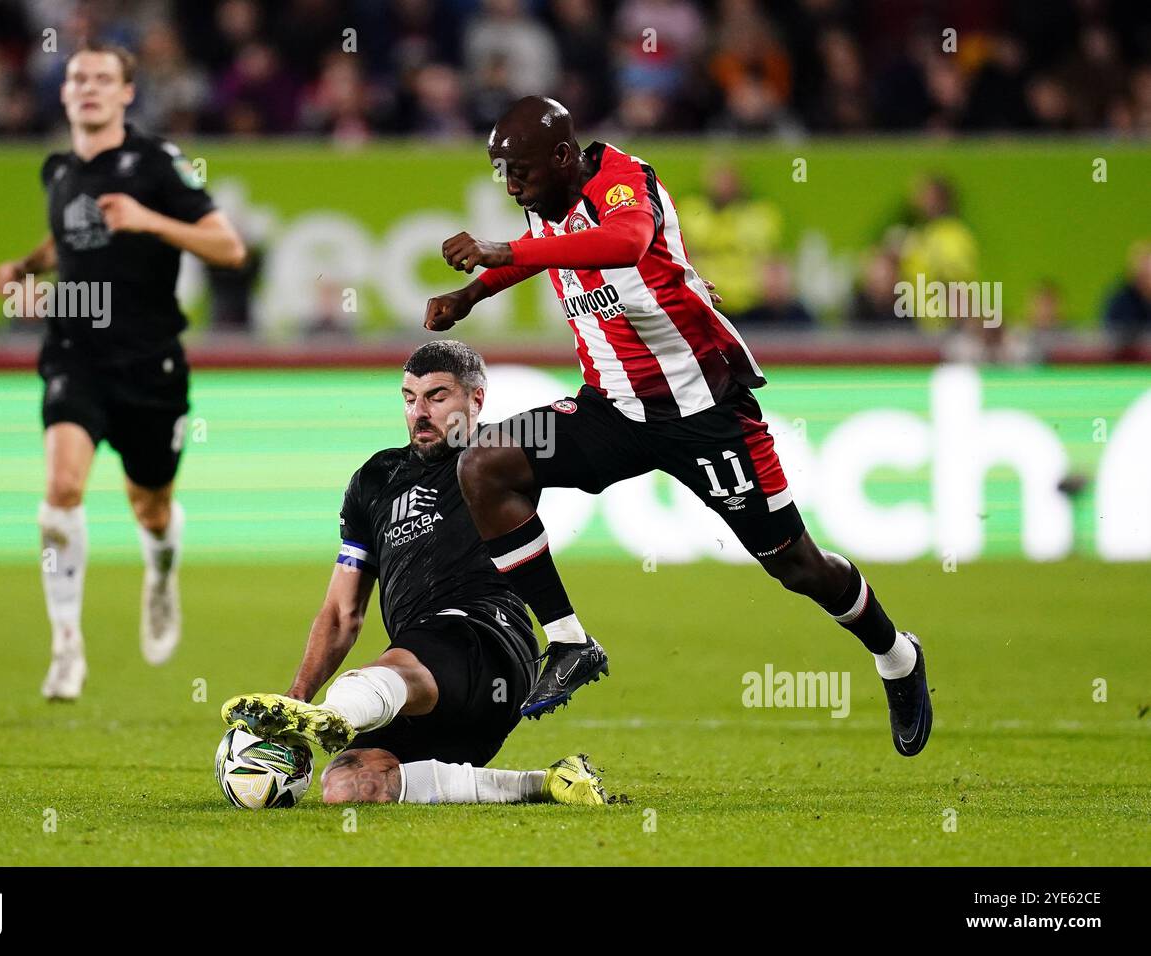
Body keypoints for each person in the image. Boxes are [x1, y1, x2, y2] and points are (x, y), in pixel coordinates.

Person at [422, 96, 933, 757]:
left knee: (796, 565)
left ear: (560, 156)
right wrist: (473, 294)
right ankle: (571, 641)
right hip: (611, 413)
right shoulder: (544, 203)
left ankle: (896, 654)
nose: (511, 185)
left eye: (518, 171)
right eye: (501, 173)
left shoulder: (622, 180)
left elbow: (629, 241)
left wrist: (497, 248)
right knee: (484, 464)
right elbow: (547, 250)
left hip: (705, 414)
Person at [222, 341, 609, 805]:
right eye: (410, 398)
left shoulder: (501, 458)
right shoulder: (375, 480)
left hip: (486, 642)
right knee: (350, 784)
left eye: (437, 397)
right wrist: (296, 699)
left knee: (389, 670)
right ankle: (543, 783)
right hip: (431, 686)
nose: (420, 412)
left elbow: (594, 439)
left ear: (476, 399)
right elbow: (343, 613)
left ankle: (339, 710)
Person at [0, 42, 246, 700]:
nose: (89, 88)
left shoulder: (157, 164)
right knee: (61, 494)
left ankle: (160, 571)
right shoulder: (57, 170)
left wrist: (150, 220)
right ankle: (66, 646)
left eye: (104, 78)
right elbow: (70, 238)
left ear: (127, 93)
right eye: (78, 77)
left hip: (150, 361)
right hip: (75, 351)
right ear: (65, 91)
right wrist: (24, 268)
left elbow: (228, 245)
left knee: (150, 506)